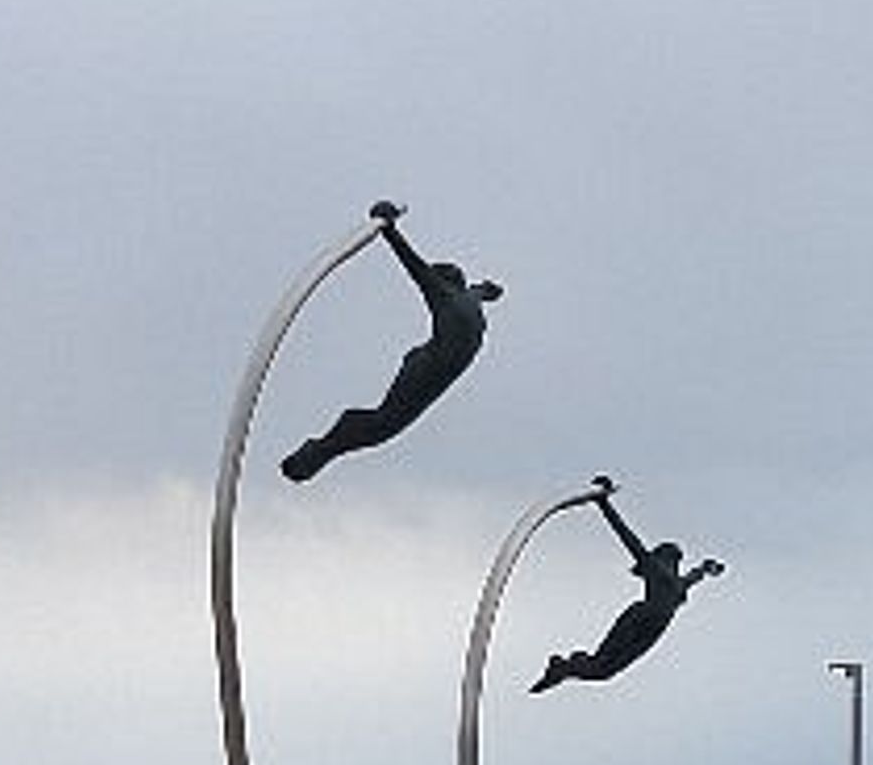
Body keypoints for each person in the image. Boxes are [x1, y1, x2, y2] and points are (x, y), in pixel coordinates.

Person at [280, 203, 502, 482]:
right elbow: (477, 291)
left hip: (425, 373)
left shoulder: (445, 296)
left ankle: (310, 458)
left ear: (443, 281)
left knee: (374, 424)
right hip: (430, 369)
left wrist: (389, 229)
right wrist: (489, 290)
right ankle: (313, 456)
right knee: (370, 424)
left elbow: (414, 265)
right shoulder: (471, 302)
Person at [534, 481, 722, 691]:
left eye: (677, 559)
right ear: (663, 556)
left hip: (654, 629)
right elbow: (627, 536)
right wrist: (604, 503)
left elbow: (694, 576)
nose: (675, 562)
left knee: (605, 672)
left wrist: (707, 568)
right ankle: (565, 667)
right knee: (600, 666)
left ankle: (567, 666)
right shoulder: (654, 567)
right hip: (640, 617)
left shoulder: (679, 584)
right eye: (673, 556)